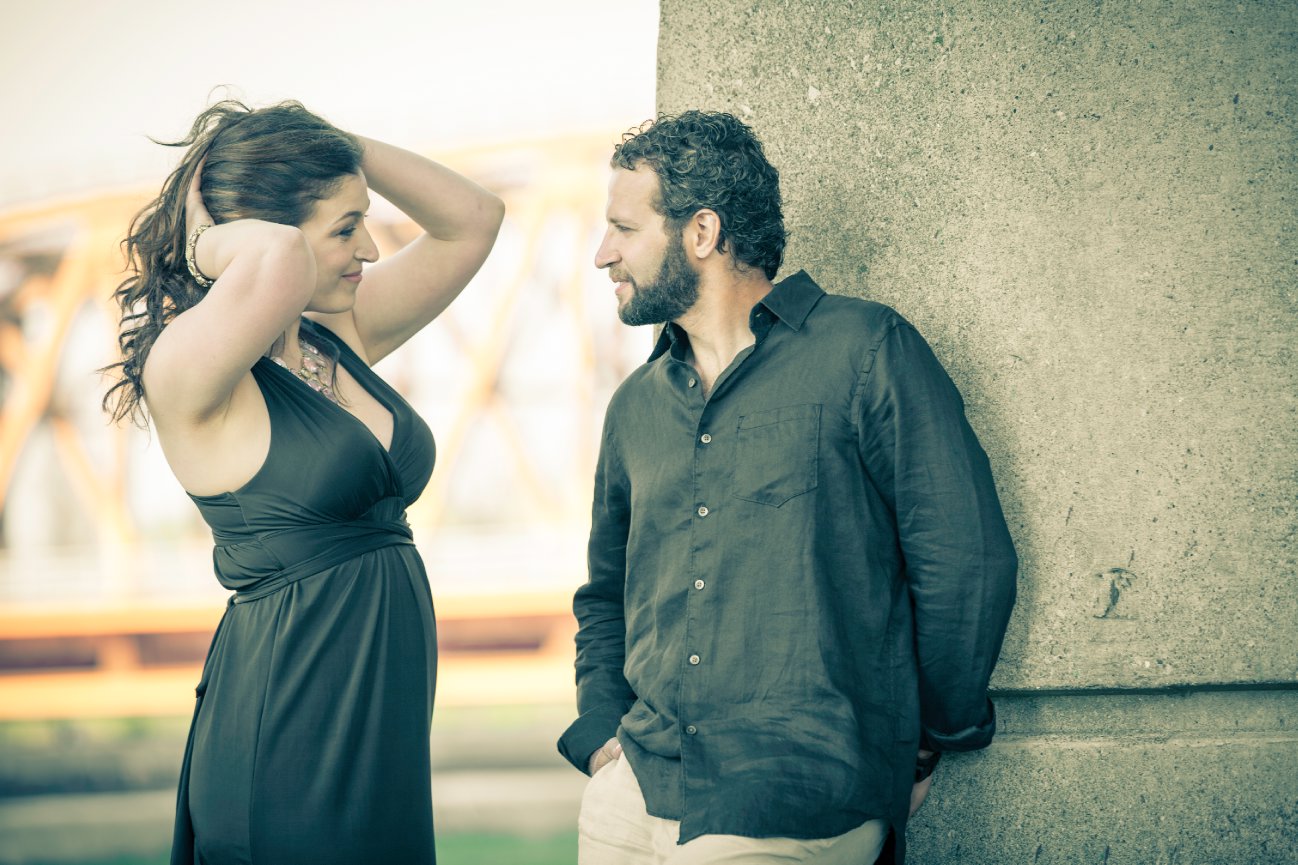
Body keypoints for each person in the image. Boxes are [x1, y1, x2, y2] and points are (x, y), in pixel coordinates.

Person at [558, 110, 1017, 864]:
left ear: (701, 233)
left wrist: (929, 739)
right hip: (629, 795)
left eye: (624, 228)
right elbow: (606, 593)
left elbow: (965, 564)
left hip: (792, 798)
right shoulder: (636, 406)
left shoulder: (866, 350)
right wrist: (603, 729)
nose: (603, 254)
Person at [103, 99, 504, 864]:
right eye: (346, 227)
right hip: (290, 722)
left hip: (380, 726)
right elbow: (280, 262)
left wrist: (335, 144)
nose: (373, 248)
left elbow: (474, 218)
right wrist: (206, 246)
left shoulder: (336, 335)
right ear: (266, 233)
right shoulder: (189, 372)